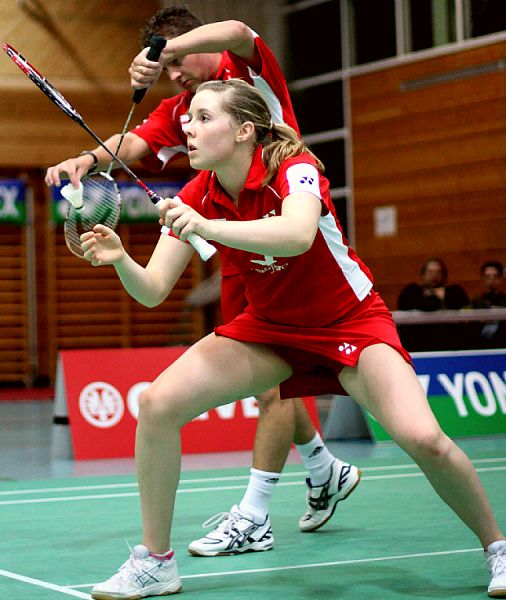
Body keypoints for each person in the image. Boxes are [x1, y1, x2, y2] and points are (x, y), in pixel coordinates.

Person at [80, 78, 506, 600]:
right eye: (188, 118)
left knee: (423, 439)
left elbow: (297, 233)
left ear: (244, 130)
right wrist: (121, 259)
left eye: (203, 117)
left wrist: (207, 228)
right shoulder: (199, 194)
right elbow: (151, 290)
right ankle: (156, 563)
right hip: (271, 330)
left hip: (349, 321)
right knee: (159, 403)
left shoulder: (295, 169)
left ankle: (497, 548)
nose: (187, 128)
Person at [45, 7, 360, 556]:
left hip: (286, 233)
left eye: (175, 62)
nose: (176, 83)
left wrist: (163, 51)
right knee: (274, 378)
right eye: (168, 76)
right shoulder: (183, 109)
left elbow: (239, 32)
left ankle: (259, 512)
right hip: (239, 248)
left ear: (189, 43)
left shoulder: (246, 83)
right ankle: (322, 467)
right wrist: (86, 160)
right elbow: (135, 144)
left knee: (285, 383)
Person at [398, 257, 469, 311]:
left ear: (444, 275)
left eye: (438, 272)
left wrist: (443, 296)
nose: (434, 276)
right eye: (430, 272)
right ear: (423, 274)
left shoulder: (455, 292)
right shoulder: (411, 292)